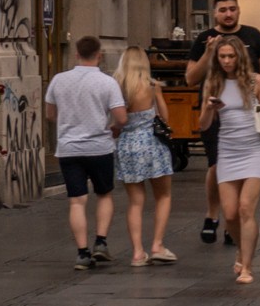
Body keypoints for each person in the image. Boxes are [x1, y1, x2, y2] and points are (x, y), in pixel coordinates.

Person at [183, 0, 260, 244]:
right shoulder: (204, 39)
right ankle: (213, 215)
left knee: (249, 167)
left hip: (248, 112)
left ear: (239, 10)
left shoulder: (254, 36)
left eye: (232, 9)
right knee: (216, 164)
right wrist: (209, 52)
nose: (228, 14)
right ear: (215, 13)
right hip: (216, 110)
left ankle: (235, 220)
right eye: (223, 10)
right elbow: (191, 78)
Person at [197, 34, 260, 284]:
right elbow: (203, 125)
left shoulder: (256, 82)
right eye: (222, 56)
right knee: (231, 214)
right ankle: (241, 249)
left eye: (230, 56)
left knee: (246, 207)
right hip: (228, 151)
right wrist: (209, 109)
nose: (226, 61)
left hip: (256, 149)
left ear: (239, 57)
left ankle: (247, 265)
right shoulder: (213, 83)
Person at [45, 35, 127, 270]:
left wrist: (68, 123)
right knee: (104, 194)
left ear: (76, 54)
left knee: (77, 202)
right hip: (99, 147)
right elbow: (121, 117)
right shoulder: (107, 82)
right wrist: (115, 128)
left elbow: (50, 115)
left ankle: (82, 253)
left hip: (69, 148)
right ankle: (100, 242)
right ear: (99, 55)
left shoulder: (59, 80)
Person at [113, 46, 177, 267]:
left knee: (135, 202)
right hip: (152, 144)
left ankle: (137, 252)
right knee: (163, 196)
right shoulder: (152, 86)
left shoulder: (118, 87)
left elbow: (115, 120)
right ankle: (157, 245)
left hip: (127, 144)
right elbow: (165, 118)